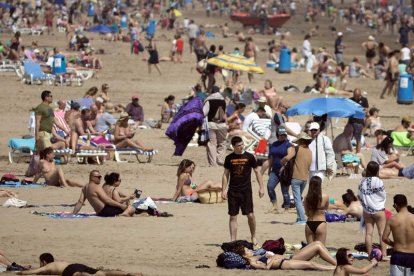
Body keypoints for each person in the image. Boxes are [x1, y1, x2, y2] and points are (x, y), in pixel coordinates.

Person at [222, 136, 264, 244]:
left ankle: (253, 236)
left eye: (242, 145)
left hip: (246, 191)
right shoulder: (229, 158)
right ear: (233, 147)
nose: (241, 147)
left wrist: (261, 187)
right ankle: (233, 240)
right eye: (238, 146)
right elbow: (225, 175)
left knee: (250, 215)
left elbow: (257, 171)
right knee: (233, 216)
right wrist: (223, 190)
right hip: (233, 191)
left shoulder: (249, 157)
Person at [234, 241, 336, 270]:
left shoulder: (255, 257)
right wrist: (273, 257)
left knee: (317, 243)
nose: (250, 251)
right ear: (244, 255)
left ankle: (338, 265)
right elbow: (265, 268)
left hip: (288, 259)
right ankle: (336, 267)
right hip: (284, 263)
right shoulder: (252, 262)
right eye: (247, 250)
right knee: (312, 264)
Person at [358, 161, 387, 259]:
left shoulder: (362, 181)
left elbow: (359, 196)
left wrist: (366, 205)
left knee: (368, 233)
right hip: (378, 210)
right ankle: (384, 255)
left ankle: (370, 255)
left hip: (367, 211)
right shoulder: (378, 181)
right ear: (377, 170)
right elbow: (382, 195)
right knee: (382, 233)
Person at [17, 253, 142, 276]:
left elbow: (35, 272)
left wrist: (21, 272)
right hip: (78, 264)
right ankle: (127, 274)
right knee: (103, 272)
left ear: (43, 261)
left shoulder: (47, 266)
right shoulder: (60, 262)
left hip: (71, 270)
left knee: (79, 275)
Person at [382, 194, 414, 275]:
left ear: (396, 205)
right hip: (412, 255)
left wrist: (394, 244)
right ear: (406, 203)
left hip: (398, 255)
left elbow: (384, 238)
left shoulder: (392, 219)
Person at [267, 126, 292, 213]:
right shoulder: (273, 145)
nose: (283, 136)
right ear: (277, 135)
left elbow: (289, 157)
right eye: (281, 135)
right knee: (270, 187)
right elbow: (271, 158)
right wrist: (269, 169)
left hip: (285, 171)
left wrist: (284, 166)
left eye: (284, 135)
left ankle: (286, 208)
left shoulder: (288, 144)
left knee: (284, 190)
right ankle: (274, 205)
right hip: (274, 171)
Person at [203, 85, 227, 166]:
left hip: (211, 124)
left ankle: (213, 163)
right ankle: (220, 159)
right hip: (222, 125)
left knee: (212, 143)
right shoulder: (223, 100)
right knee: (222, 142)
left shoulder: (209, 100)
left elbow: (204, 113)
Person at [304, 176, 329, 245]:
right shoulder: (325, 196)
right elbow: (326, 209)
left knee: (310, 250)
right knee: (321, 248)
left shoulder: (307, 197)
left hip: (309, 223)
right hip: (321, 223)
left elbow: (306, 213)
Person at [347, 88, 369, 153]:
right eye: (355, 95)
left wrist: (360, 112)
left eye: (358, 96)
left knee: (358, 138)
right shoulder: (350, 100)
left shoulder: (364, 100)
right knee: (349, 137)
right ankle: (350, 151)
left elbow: (366, 109)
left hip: (359, 122)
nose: (357, 97)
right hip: (351, 121)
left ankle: (358, 152)